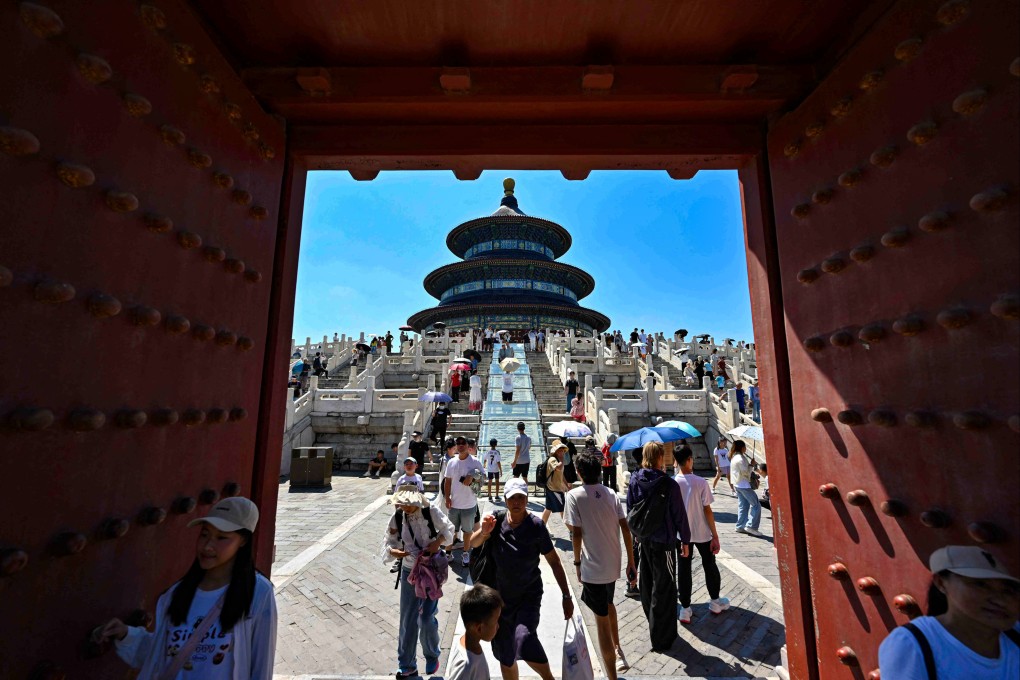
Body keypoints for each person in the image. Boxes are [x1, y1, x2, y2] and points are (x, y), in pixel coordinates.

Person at [95, 497, 277, 679]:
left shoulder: (257, 593)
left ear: (243, 541)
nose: (207, 546)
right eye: (204, 534)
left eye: (222, 537)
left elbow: (261, 667)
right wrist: (126, 635)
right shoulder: (176, 594)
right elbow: (163, 655)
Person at [469, 479, 574, 680]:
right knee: (506, 656)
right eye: (512, 498)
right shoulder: (496, 521)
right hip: (499, 600)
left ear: (526, 499)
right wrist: (484, 532)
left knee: (524, 638)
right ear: (506, 500)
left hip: (528, 597)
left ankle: (549, 678)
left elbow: (554, 561)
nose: (516, 502)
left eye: (521, 497)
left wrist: (567, 596)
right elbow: (473, 544)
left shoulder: (536, 526)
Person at [878, 545, 1020, 679]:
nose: (999, 600)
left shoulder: (1014, 636)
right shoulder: (913, 643)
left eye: (1008, 591)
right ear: (941, 583)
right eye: (980, 585)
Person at [564, 449, 636, 679]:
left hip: (593, 567)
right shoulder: (611, 493)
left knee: (600, 620)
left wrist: (576, 562)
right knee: (608, 604)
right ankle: (617, 647)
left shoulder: (574, 496)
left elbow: (575, 533)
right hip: (612, 564)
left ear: (578, 472)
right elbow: (625, 528)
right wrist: (631, 561)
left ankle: (612, 675)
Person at [384, 485, 455, 679]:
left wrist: (437, 543)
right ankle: (407, 664)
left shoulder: (431, 511)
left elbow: (449, 530)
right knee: (407, 618)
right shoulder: (397, 517)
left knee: (425, 618)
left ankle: (432, 654)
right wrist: (393, 551)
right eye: (401, 504)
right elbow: (388, 542)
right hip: (410, 570)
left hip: (431, 569)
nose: (404, 507)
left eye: (407, 504)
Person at [626, 442, 691, 652]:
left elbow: (631, 511)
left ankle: (653, 622)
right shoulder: (669, 484)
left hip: (644, 540)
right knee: (665, 588)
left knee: (646, 584)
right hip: (664, 543)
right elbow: (679, 515)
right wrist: (686, 540)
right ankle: (662, 635)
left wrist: (636, 535)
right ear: (660, 457)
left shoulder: (635, 480)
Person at [674, 445, 729, 624]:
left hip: (682, 535)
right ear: (689, 459)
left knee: (683, 570)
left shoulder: (673, 482)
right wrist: (715, 535)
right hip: (702, 531)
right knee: (709, 565)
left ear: (676, 461)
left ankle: (685, 608)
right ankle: (714, 601)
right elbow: (707, 510)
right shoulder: (700, 482)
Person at [447, 584, 504, 680]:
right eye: (495, 622)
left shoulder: (470, 644)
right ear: (478, 629)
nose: (498, 626)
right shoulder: (466, 666)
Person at [444, 437, 486, 566]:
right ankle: (448, 554)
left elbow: (483, 478)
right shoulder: (451, 462)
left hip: (469, 504)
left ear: (468, 445)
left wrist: (472, 475)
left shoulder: (475, 461)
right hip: (454, 503)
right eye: (458, 443)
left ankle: (466, 553)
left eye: (463, 443)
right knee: (451, 530)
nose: (461, 445)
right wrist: (447, 497)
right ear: (456, 446)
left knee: (467, 532)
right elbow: (447, 481)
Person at [730, 441, 762, 537]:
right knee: (756, 505)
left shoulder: (735, 457)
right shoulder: (740, 458)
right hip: (744, 485)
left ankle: (740, 526)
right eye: (745, 446)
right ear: (742, 447)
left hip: (738, 484)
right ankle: (751, 526)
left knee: (743, 506)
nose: (746, 448)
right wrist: (751, 465)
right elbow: (746, 473)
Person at [541, 440, 570, 526]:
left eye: (562, 450)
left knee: (548, 509)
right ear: (555, 451)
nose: (562, 452)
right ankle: (572, 531)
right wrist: (561, 460)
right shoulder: (553, 459)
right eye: (559, 450)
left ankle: (541, 528)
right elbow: (558, 468)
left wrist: (566, 484)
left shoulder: (558, 460)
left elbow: (561, 474)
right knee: (563, 510)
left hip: (553, 488)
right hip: (555, 489)